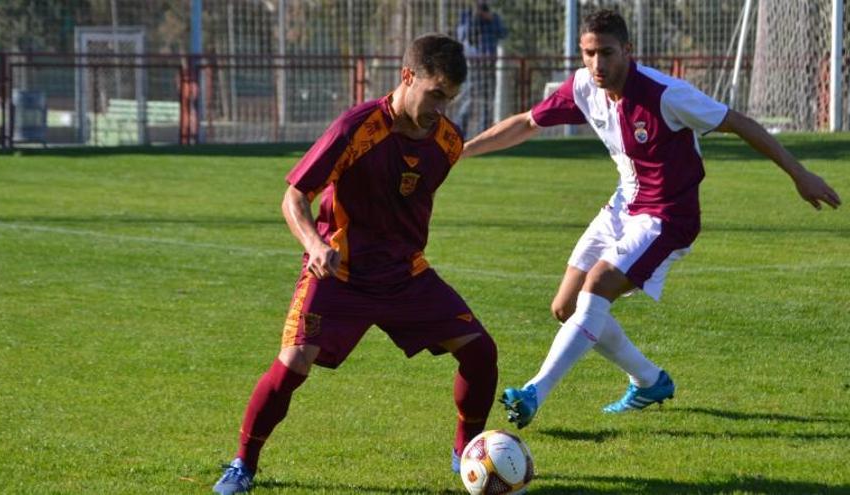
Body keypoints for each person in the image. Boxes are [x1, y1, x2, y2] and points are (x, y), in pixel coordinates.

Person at [462, 9, 841, 428]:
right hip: (623, 206)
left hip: (668, 217)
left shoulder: (666, 94)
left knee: (599, 284)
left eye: (606, 52)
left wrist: (799, 173)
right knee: (566, 307)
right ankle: (649, 381)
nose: (597, 64)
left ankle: (535, 391)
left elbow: (739, 122)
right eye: (588, 53)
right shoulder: (584, 86)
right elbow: (525, 123)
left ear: (627, 50)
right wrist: (458, 151)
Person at [213, 34, 498, 494]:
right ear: (408, 76)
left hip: (405, 276)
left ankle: (466, 454)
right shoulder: (357, 127)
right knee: (292, 364)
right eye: (436, 94)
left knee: (481, 352)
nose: (440, 108)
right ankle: (243, 464)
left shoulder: (447, 142)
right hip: (340, 273)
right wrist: (315, 243)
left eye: (450, 99)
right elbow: (293, 197)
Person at [455, 0, 507, 137]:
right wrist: (474, 18)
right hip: (473, 64)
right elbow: (463, 35)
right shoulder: (466, 16)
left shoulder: (493, 17)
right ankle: (459, 133)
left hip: (489, 63)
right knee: (469, 98)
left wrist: (490, 19)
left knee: (488, 99)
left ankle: (484, 134)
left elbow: (503, 33)